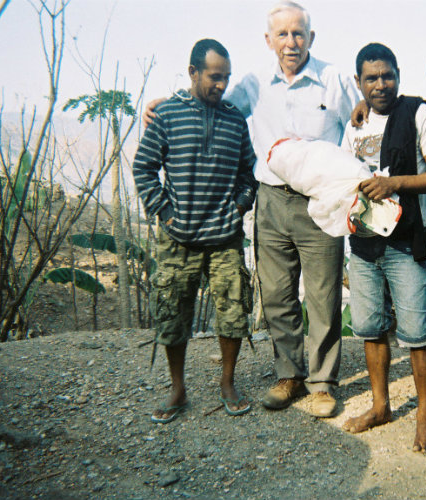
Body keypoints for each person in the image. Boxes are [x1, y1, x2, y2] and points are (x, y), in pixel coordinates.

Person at [144, 1, 359, 418]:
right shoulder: (254, 83)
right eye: (282, 34)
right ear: (268, 40)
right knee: (277, 294)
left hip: (322, 201)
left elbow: (364, 117)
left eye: (299, 33)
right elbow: (211, 99)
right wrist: (164, 103)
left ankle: (322, 383)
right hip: (272, 199)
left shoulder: (332, 79)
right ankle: (289, 375)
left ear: (311, 37)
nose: (291, 42)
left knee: (322, 295)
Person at [133, 39, 258, 423]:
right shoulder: (168, 115)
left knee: (233, 311)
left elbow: (248, 172)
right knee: (172, 313)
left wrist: (238, 207)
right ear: (193, 72)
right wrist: (165, 213)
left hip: (224, 238)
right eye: (214, 76)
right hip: (178, 239)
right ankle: (177, 389)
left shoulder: (235, 119)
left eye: (226, 78)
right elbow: (143, 167)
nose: (221, 85)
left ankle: (227, 383)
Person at [340, 43, 426, 453]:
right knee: (370, 328)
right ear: (359, 82)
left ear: (399, 74)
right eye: (371, 78)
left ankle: (425, 418)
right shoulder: (354, 123)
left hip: (406, 242)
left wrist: (395, 184)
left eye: (387, 75)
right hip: (364, 243)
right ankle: (380, 406)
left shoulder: (420, 113)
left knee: (417, 333)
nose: (380, 84)